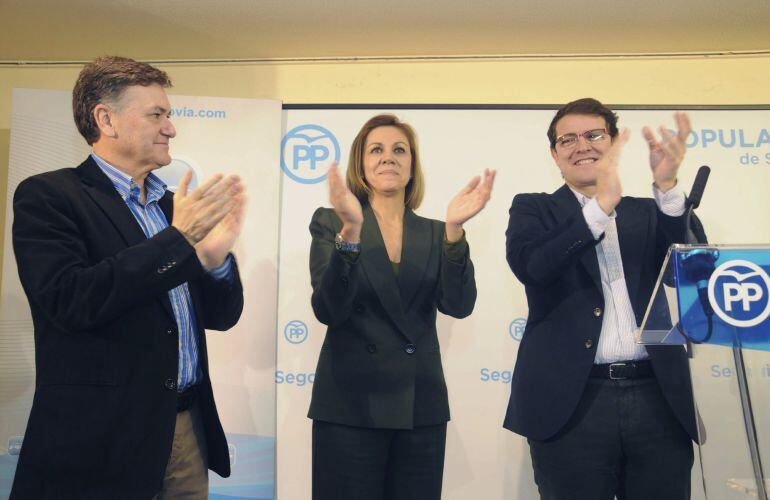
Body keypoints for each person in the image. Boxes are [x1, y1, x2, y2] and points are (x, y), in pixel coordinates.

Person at [9, 56, 245, 499]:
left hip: (186, 430)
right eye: (157, 114)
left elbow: (222, 316)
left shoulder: (174, 208)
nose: (171, 128)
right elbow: (70, 300)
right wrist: (180, 240)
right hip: (102, 439)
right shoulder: (50, 196)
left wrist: (215, 260)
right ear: (106, 120)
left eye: (169, 116)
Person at [503, 98, 706, 500]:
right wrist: (600, 208)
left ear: (613, 144)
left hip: (656, 398)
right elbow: (532, 266)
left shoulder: (650, 212)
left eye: (595, 135)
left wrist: (667, 188)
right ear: (554, 155)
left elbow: (695, 268)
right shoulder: (533, 208)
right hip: (572, 404)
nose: (583, 146)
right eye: (568, 140)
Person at [307, 114, 495, 500]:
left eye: (399, 150)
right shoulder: (333, 222)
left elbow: (458, 305)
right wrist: (352, 234)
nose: (388, 157)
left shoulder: (435, 231)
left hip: (419, 408)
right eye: (376, 149)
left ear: (412, 165)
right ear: (361, 163)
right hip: (349, 407)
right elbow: (329, 309)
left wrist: (455, 233)